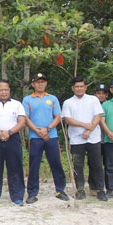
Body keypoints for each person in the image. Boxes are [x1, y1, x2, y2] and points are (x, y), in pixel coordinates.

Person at [22, 73, 69, 203]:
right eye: (37, 82)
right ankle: (32, 193)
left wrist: (47, 129)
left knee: (56, 163)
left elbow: (58, 117)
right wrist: (37, 130)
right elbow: (25, 118)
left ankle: (60, 190)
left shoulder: (52, 98)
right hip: (35, 137)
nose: (40, 84)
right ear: (33, 84)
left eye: (42, 82)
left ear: (46, 83)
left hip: (51, 136)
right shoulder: (27, 99)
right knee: (34, 165)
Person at [62, 77, 108, 201]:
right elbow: (68, 119)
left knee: (97, 164)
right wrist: (84, 125)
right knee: (78, 165)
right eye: (77, 87)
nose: (79, 89)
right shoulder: (68, 102)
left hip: (93, 138)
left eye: (81, 86)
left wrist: (89, 129)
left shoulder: (93, 100)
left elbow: (98, 116)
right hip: (76, 139)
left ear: (85, 87)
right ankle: (80, 189)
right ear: (73, 88)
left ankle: (100, 189)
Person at [0, 79, 26, 206]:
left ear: (9, 90)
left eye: (6, 89)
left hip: (13, 137)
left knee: (15, 167)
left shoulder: (17, 104)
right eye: (1, 90)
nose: (4, 92)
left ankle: (17, 197)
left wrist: (9, 132)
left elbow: (22, 122)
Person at [87, 83, 109, 196]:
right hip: (94, 139)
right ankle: (93, 186)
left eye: (103, 93)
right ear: (94, 94)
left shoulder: (109, 105)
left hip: (107, 139)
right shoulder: (90, 104)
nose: (101, 95)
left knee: (108, 164)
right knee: (93, 164)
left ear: (107, 95)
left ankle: (108, 187)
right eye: (98, 93)